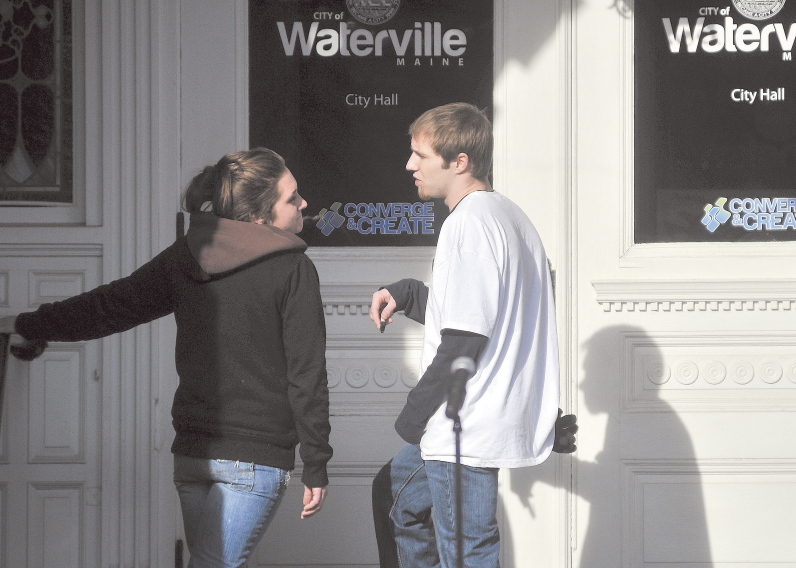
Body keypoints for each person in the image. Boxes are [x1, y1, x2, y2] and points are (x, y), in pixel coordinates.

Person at [0, 147, 333, 568]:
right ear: (261, 219)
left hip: (193, 456)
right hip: (253, 460)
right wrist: (317, 462)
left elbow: (112, 305)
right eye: (292, 198)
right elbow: (307, 374)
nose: (304, 203)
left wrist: (33, 323)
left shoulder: (189, 254)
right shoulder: (292, 268)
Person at [368, 103, 572, 568]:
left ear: (459, 162)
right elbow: (481, 312)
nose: (410, 165)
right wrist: (407, 294)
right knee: (395, 495)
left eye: (421, 155)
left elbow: (464, 338)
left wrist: (413, 416)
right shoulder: (510, 217)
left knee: (468, 551)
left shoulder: (468, 225)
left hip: (464, 424)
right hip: (482, 418)